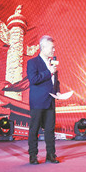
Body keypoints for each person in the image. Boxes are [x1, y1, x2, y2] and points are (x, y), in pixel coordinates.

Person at [27, 35, 60, 164]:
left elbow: (55, 81)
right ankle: (33, 155)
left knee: (50, 129)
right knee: (34, 129)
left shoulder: (52, 63)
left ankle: (51, 155)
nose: (54, 50)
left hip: (50, 100)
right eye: (52, 47)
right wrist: (49, 72)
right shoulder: (33, 62)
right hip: (38, 101)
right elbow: (33, 79)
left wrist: (57, 91)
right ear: (43, 47)